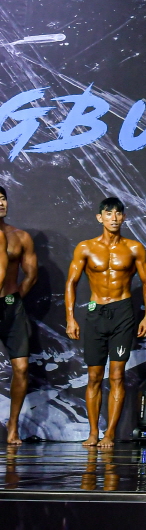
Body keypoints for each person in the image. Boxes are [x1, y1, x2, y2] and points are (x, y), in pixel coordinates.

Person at [64, 198, 146, 447]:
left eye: (118, 213)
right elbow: (71, 282)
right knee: (94, 376)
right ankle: (94, 432)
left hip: (122, 311)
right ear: (99, 217)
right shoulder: (85, 248)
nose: (114, 218)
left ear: (124, 217)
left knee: (116, 375)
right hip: (96, 312)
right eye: (108, 213)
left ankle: (110, 433)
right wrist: (70, 317)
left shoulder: (134, 248)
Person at [0, 185, 37, 445]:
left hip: (11, 307)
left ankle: (13, 425)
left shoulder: (20, 236)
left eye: (3, 199)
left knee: (22, 368)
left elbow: (31, 275)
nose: (1, 204)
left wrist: (14, 297)